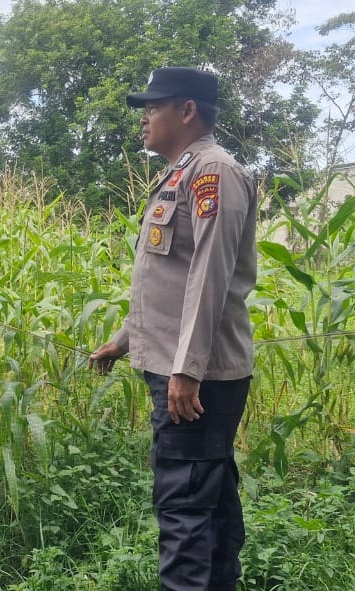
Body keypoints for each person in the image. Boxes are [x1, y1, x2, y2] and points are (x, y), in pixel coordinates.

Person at [90, 67, 257, 591]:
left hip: (193, 375)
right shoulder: (182, 172)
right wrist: (124, 339)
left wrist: (187, 368)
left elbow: (209, 277)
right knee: (209, 503)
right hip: (178, 364)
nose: (145, 117)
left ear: (187, 111)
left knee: (185, 509)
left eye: (154, 106)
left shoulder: (213, 173)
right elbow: (170, 279)